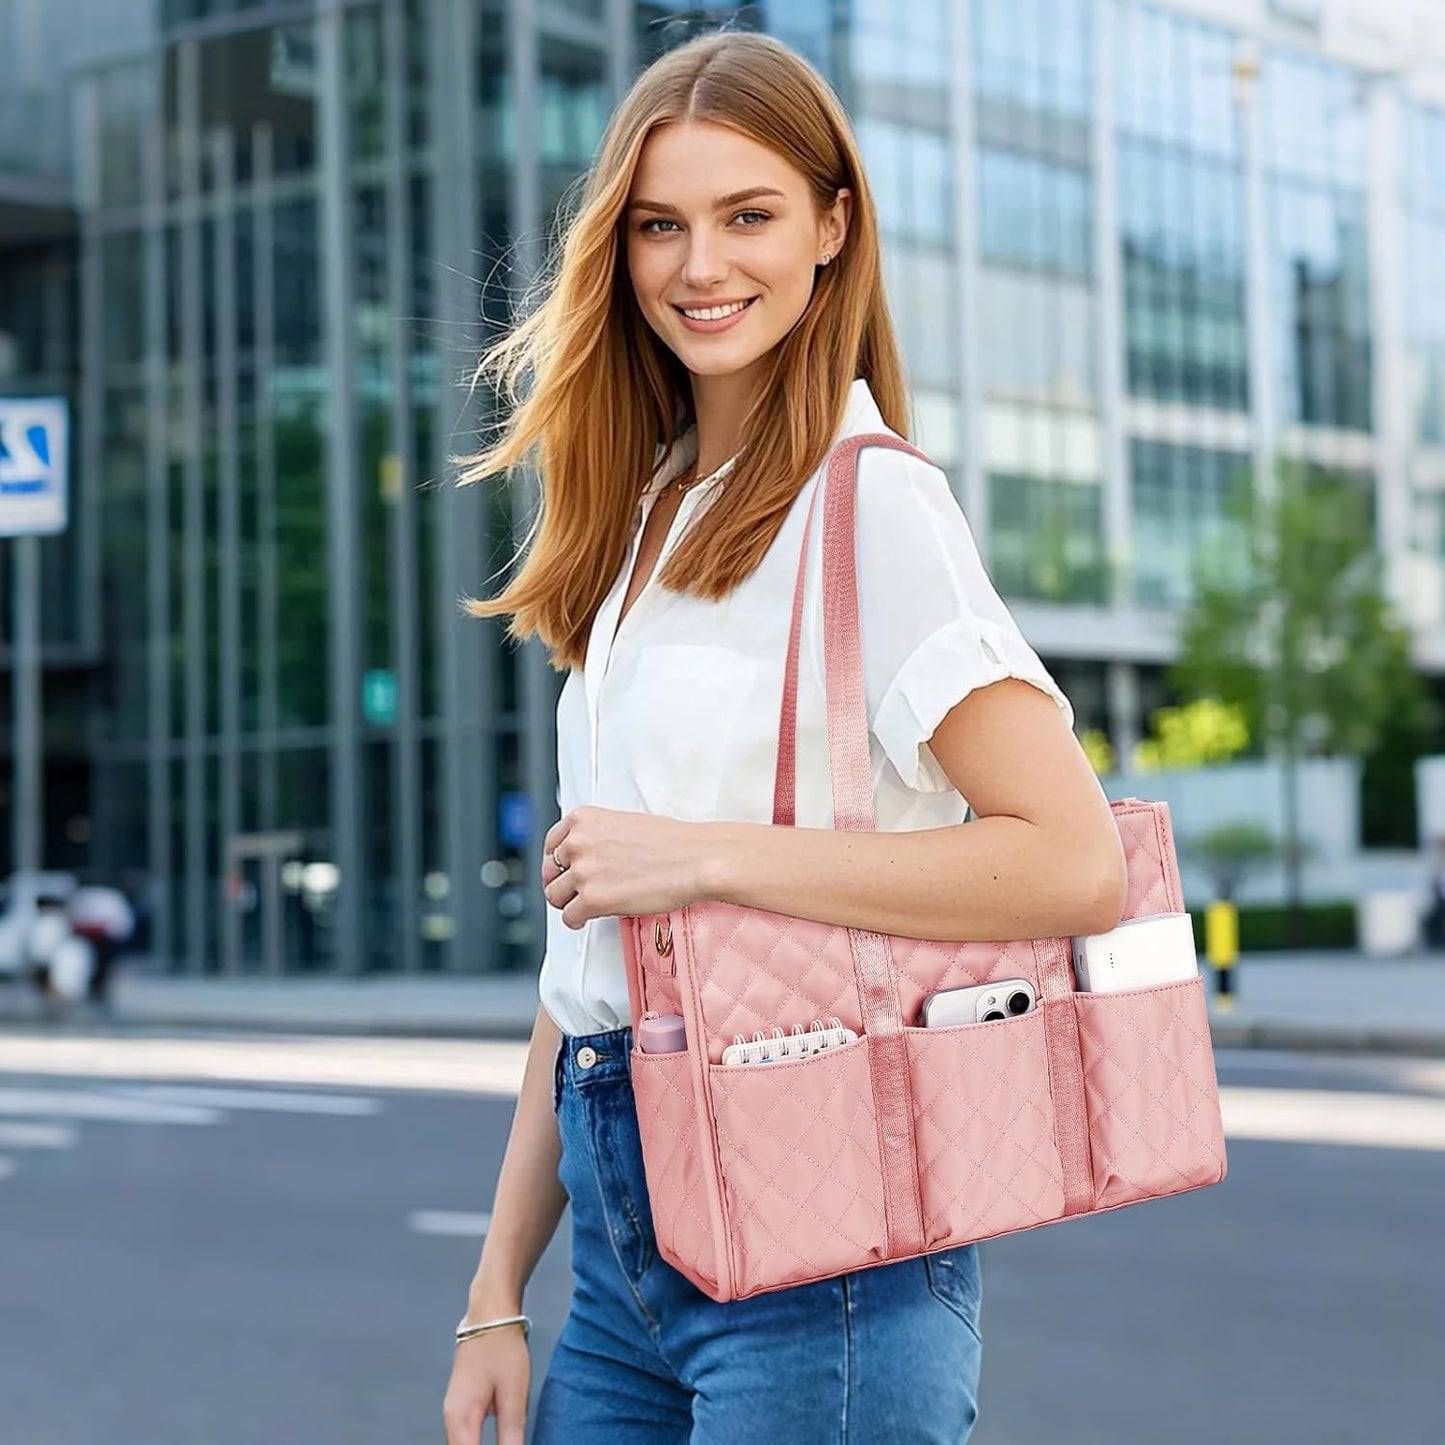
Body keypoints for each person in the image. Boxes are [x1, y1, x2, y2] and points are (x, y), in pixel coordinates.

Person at [442, 30, 1126, 1445]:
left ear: (831, 226)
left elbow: (1073, 862)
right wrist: (496, 1289)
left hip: (828, 1258)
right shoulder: (647, 518)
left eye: (746, 216)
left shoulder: (873, 506)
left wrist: (701, 857)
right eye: (659, 226)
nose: (699, 266)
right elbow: (587, 962)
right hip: (623, 1261)